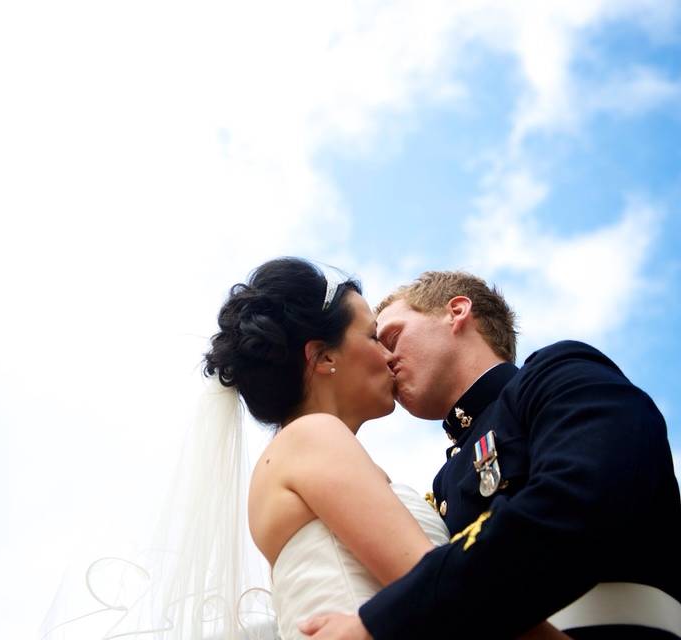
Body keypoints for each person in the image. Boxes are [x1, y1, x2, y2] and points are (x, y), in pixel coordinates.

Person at [299, 271, 681, 640]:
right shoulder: (445, 479)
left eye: (393, 337)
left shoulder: (556, 374)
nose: (383, 358)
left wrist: (382, 620)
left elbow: (587, 495)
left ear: (457, 311)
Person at [202, 258, 567, 640]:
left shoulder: (302, 448)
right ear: (324, 357)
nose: (390, 356)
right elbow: (431, 584)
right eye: (374, 337)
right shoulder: (313, 436)